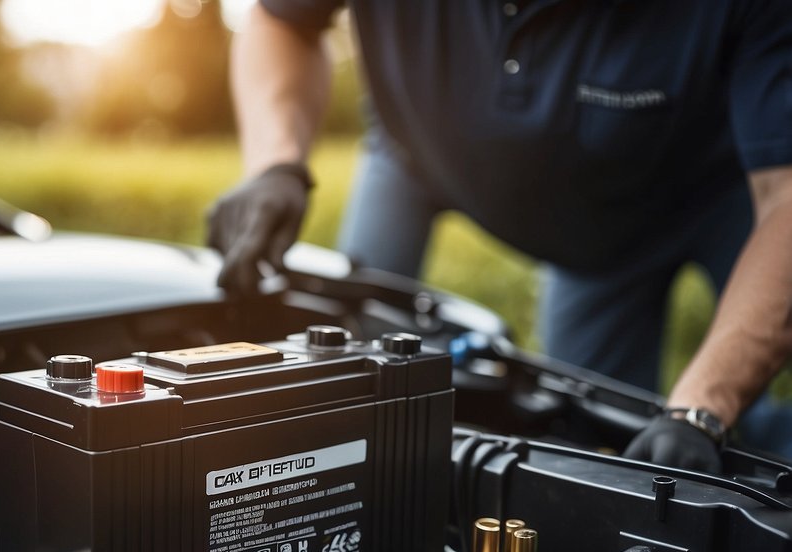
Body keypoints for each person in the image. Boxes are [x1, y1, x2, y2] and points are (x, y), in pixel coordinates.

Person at [206, 0, 792, 472]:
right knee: (582, 454)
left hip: (727, 188)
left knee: (717, 441)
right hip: (428, 161)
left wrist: (701, 412)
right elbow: (280, 19)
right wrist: (276, 163)